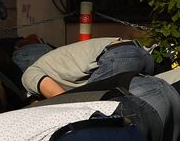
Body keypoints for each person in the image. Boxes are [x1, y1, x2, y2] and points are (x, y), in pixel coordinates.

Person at [19, 37, 153, 98]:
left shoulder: (29, 74)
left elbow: (61, 99)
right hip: (143, 54)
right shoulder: (54, 61)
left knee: (88, 104)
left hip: (117, 56)